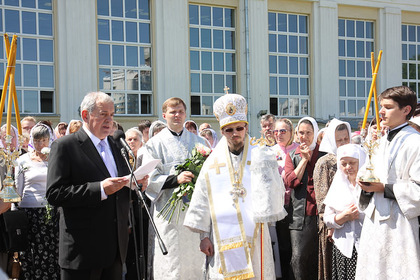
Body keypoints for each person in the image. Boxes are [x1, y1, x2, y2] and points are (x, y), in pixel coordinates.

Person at [46, 92, 148, 280]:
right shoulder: (65, 146)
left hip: (115, 249)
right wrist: (100, 189)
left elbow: (120, 187)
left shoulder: (117, 145)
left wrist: (135, 184)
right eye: (103, 114)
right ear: (86, 115)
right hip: (83, 251)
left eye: (112, 114)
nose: (109, 120)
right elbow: (54, 193)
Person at [184, 93, 286, 279]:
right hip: (220, 236)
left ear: (246, 127)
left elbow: (275, 191)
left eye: (239, 128)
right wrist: (203, 236)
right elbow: (202, 200)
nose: (235, 134)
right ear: (222, 132)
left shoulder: (259, 154)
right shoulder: (212, 162)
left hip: (255, 232)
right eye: (229, 130)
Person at [355, 86, 420, 279]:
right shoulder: (381, 142)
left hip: (400, 223)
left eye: (388, 107)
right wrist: (364, 185)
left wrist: (383, 188)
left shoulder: (415, 142)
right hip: (374, 222)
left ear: (406, 110)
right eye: (381, 106)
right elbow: (369, 173)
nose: (381, 112)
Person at [143, 97, 208, 280]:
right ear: (164, 115)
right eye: (172, 112)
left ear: (186, 114)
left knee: (195, 261)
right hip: (168, 212)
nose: (177, 115)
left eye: (180, 111)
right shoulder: (154, 144)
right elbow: (150, 178)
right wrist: (175, 179)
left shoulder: (200, 142)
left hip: (195, 210)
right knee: (172, 262)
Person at [15, 122, 60, 279]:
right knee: (30, 251)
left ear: (49, 140)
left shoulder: (55, 158)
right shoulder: (22, 160)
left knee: (51, 250)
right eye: (36, 140)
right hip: (28, 211)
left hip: (50, 211)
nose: (40, 144)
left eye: (43, 140)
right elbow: (18, 189)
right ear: (31, 141)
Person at [284, 116, 323, 280]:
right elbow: (291, 181)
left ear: (315, 134)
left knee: (317, 259)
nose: (304, 137)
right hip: (300, 215)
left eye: (308, 133)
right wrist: (304, 160)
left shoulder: (324, 154)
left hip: (321, 215)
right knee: (298, 259)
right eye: (301, 133)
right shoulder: (292, 155)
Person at [313, 119, 351, 280]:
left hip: (353, 219)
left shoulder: (354, 157)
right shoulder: (324, 163)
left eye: (345, 139)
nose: (343, 143)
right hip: (332, 222)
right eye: (339, 140)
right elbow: (322, 199)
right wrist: (332, 222)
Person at [323, 144, 366, 280]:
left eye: (353, 163)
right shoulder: (338, 185)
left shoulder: (370, 185)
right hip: (344, 246)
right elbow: (327, 217)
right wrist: (342, 217)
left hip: (366, 245)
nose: (348, 167)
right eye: (344, 163)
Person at [271, 118, 299, 280]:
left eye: (283, 131)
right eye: (276, 131)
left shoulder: (298, 150)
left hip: (296, 203)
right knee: (282, 246)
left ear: (291, 132)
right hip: (278, 205)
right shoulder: (270, 151)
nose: (279, 134)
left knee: (295, 247)